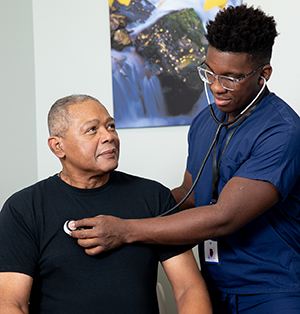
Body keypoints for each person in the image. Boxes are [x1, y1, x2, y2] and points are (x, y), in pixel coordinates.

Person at [69, 5, 300, 314]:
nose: (216, 86)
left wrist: (126, 230)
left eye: (231, 78)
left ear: (263, 75)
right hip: (214, 284)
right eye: (210, 72)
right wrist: (115, 210)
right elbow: (189, 196)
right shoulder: (206, 120)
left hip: (272, 291)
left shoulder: (282, 132)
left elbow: (224, 217)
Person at [0, 94, 213, 314]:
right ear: (58, 147)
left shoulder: (153, 196)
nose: (108, 136)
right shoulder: (24, 209)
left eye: (110, 126)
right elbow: (10, 303)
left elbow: (188, 287)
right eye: (92, 129)